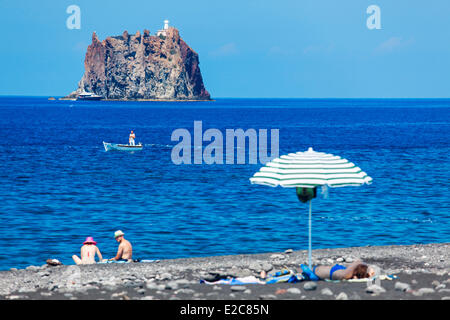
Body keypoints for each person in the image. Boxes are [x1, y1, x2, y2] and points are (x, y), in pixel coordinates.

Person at [300, 260, 376, 281]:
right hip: (318, 271)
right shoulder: (347, 274)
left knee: (299, 270)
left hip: (315, 272)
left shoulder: (345, 274)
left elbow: (358, 261)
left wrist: (368, 267)